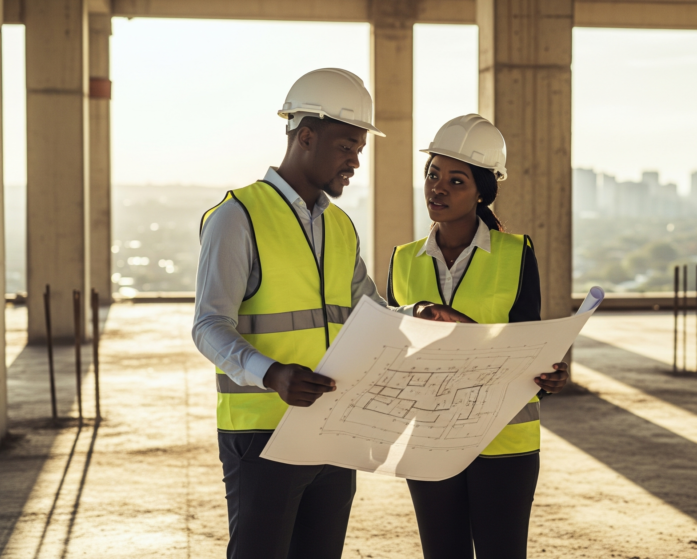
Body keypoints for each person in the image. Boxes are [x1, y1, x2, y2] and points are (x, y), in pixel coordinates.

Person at [192, 68, 469, 559]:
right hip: (263, 434)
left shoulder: (340, 226)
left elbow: (370, 315)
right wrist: (271, 374)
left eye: (359, 150)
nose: (355, 162)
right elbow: (209, 325)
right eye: (346, 147)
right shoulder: (238, 217)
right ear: (305, 136)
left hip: (334, 431)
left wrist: (419, 313)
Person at [386, 114, 570, 559]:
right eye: (432, 175)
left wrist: (548, 375)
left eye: (456, 180)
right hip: (430, 436)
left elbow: (530, 341)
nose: (438, 188)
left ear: (482, 191)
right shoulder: (403, 259)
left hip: (503, 440)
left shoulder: (515, 253)